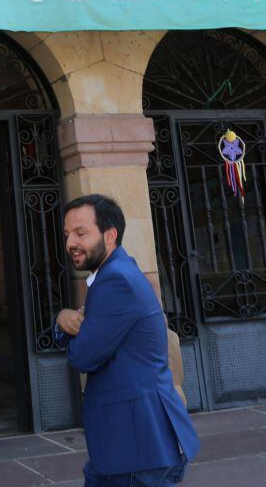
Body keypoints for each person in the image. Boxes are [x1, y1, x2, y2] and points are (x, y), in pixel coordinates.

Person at [54, 194, 199, 487]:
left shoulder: (115, 280)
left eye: (81, 233)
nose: (71, 243)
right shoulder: (116, 273)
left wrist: (63, 325)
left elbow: (82, 356)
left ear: (110, 235)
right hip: (131, 443)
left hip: (136, 445)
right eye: (67, 234)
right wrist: (64, 320)